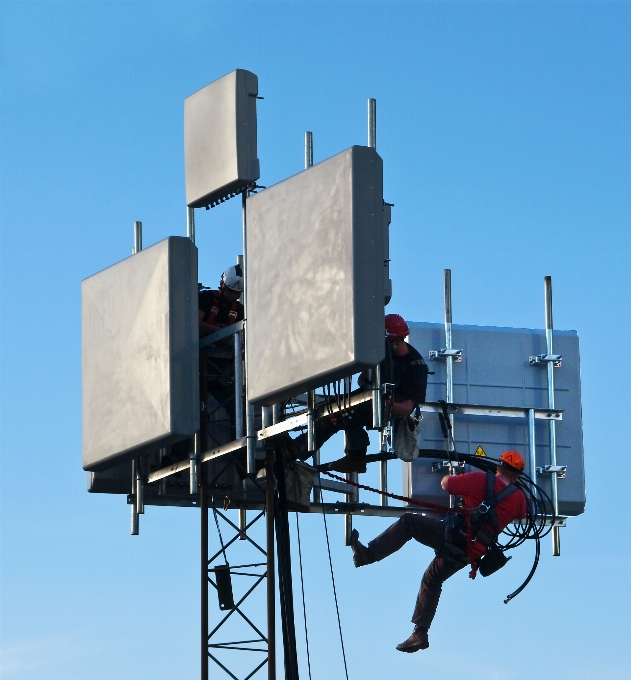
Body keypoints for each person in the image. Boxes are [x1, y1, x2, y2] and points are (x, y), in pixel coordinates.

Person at [350, 450, 528, 652]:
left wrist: (451, 476)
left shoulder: (481, 479)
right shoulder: (519, 499)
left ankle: (368, 555)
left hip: (451, 535)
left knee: (409, 523)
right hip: (469, 552)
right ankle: (420, 633)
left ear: (499, 466)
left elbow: (447, 485)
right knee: (432, 580)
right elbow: (521, 516)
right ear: (518, 475)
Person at [300, 313, 428, 473]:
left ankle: (354, 457)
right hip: (372, 397)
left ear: (396, 340)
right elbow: (362, 381)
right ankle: (295, 449)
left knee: (346, 410)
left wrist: (380, 402)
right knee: (331, 409)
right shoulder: (384, 355)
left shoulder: (415, 366)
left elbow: (406, 408)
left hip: (389, 407)